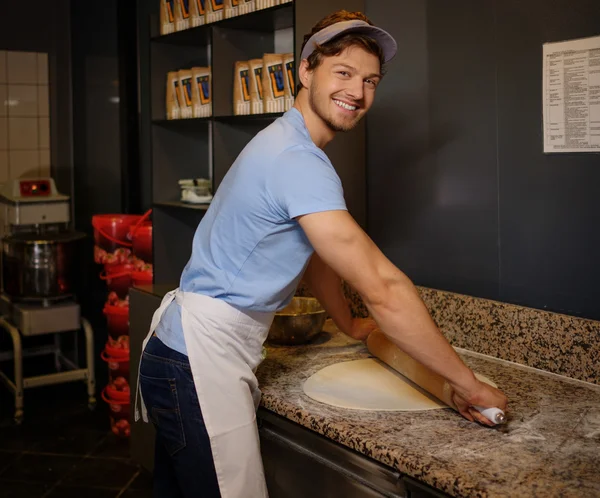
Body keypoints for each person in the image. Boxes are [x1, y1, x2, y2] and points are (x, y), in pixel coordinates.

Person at [135, 9, 508, 498]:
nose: (358, 91)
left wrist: (350, 326)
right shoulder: (298, 161)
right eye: (344, 72)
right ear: (305, 70)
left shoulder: (283, 142)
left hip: (180, 351)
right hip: (197, 362)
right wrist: (471, 386)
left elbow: (313, 257)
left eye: (370, 80)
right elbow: (385, 287)